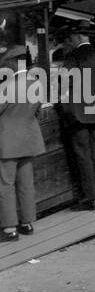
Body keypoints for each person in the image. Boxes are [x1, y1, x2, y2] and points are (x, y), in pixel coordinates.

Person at [57, 25, 95, 210]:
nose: (69, 42)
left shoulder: (72, 58)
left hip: (79, 112)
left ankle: (90, 197)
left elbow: (64, 83)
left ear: (78, 37)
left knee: (83, 155)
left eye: (71, 38)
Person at [0, 44, 44, 243]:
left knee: (5, 185)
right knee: (26, 184)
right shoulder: (36, 83)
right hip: (29, 139)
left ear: (11, 62)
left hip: (7, 141)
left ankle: (10, 229)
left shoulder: (7, 86)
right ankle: (27, 223)